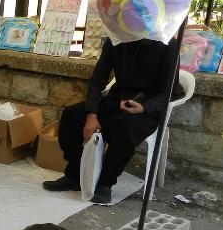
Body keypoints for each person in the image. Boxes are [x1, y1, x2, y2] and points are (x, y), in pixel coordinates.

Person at [43, 37, 181, 204]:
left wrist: (144, 107)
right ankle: (75, 174)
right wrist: (92, 114)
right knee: (71, 115)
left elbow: (170, 92)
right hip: (115, 100)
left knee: (125, 127)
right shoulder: (116, 39)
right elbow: (97, 81)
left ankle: (105, 182)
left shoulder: (168, 44)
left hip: (147, 108)